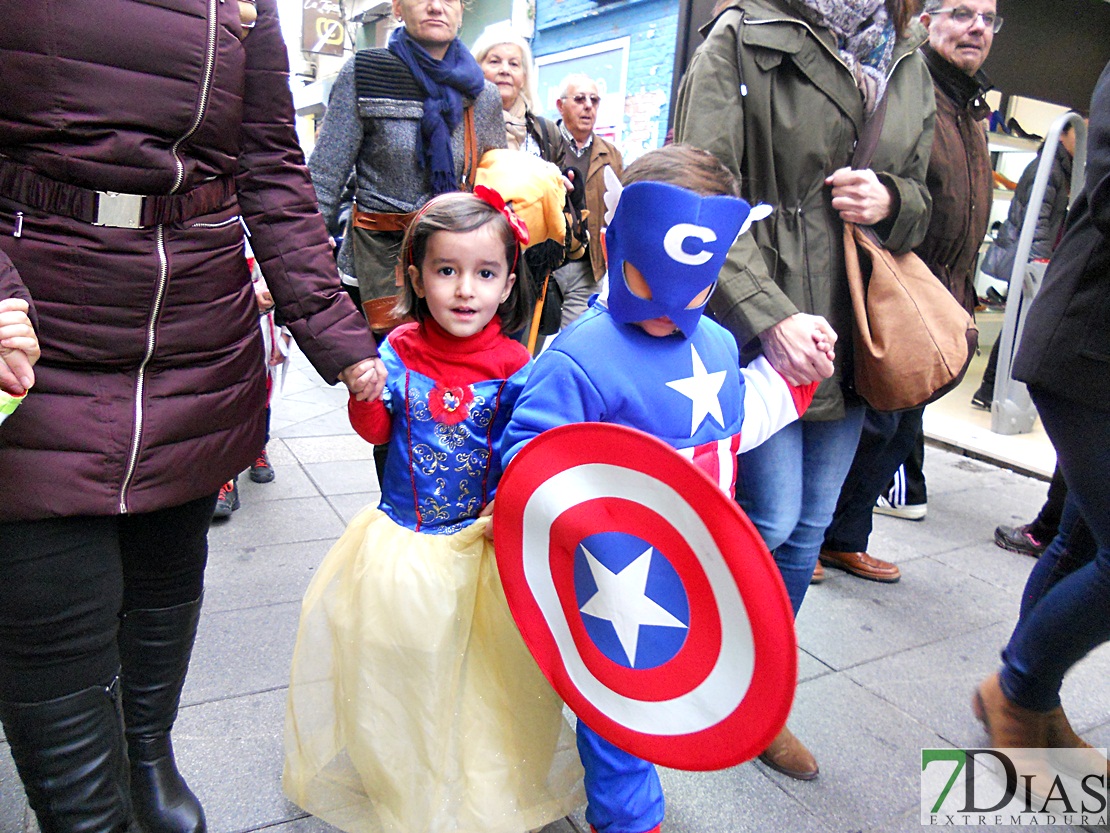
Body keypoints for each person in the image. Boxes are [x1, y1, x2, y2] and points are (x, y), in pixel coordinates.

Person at [0, 3, 384, 831]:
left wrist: (339, 337)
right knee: (51, 597)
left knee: (166, 575)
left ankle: (147, 749)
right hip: (38, 321)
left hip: (197, 327)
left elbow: (273, 170)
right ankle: (85, 813)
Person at [501, 144, 826, 833]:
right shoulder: (577, 356)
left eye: (697, 288)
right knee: (616, 704)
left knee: (660, 695)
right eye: (647, 281)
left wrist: (792, 383)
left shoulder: (712, 345)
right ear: (620, 246)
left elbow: (730, 433)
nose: (668, 308)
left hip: (689, 566)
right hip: (608, 570)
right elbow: (526, 465)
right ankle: (629, 819)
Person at [675, 0, 934, 779]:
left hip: (855, 322)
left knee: (811, 523)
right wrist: (771, 316)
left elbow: (928, 196)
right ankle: (687, 675)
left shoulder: (904, 50)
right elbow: (698, 192)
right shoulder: (743, 34)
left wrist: (894, 201)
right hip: (770, 321)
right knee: (771, 514)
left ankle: (757, 696)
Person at [283, 189, 584, 833]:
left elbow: (518, 450)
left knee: (479, 666)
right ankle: (399, 767)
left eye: (485, 273)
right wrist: (364, 392)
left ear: (509, 284)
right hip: (405, 542)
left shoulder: (514, 365)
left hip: (479, 546)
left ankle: (466, 769)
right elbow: (376, 432)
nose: (465, 290)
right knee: (402, 657)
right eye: (447, 271)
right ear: (417, 278)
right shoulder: (397, 349)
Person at [819, 0, 997, 581]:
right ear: (928, 21)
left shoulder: (971, 105)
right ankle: (819, 533)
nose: (976, 28)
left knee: (897, 425)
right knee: (876, 421)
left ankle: (842, 534)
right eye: (962, 14)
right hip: (893, 280)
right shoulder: (913, 83)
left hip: (941, 291)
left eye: (988, 18)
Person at [974, 57, 1110, 780]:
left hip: (1092, 344)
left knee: (1078, 539)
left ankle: (1033, 695)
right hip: (1088, 342)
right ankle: (1019, 692)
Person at [308, 0, 506, 336]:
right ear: (398, 7)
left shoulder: (482, 93)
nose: (434, 7)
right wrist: (305, 275)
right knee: (381, 380)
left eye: (448, 0)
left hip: (455, 273)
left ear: (461, 11)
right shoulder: (366, 73)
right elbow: (322, 181)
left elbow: (496, 185)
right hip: (377, 270)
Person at [972, 119, 1078, 410]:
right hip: (1031, 258)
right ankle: (990, 388)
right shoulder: (1048, 169)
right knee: (1019, 322)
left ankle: (996, 388)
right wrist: (1040, 260)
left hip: (1039, 257)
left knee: (1021, 322)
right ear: (1063, 134)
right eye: (1079, 131)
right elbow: (1037, 219)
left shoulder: (1061, 167)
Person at [551, 74, 625, 327]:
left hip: (588, 267)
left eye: (594, 100)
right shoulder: (545, 142)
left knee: (573, 338)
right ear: (561, 106)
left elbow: (619, 209)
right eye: (580, 99)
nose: (588, 106)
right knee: (528, 344)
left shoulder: (611, 155)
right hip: (544, 264)